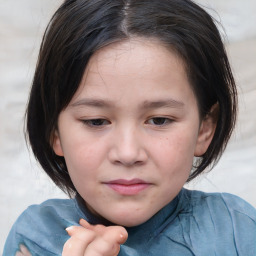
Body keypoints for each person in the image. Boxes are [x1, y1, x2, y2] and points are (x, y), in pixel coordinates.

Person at [3, 0, 256, 255]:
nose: (127, 153)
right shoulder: (35, 241)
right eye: (96, 121)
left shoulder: (237, 231)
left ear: (204, 128)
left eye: (159, 120)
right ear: (54, 131)